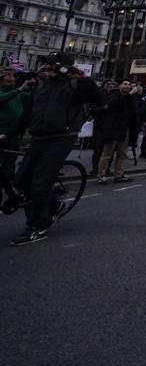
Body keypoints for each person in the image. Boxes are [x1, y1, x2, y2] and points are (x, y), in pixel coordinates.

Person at [1, 52, 103, 245]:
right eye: (46, 65)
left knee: (40, 184)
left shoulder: (75, 85)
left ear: (63, 67)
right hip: (39, 137)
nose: (47, 68)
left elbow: (98, 99)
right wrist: (7, 136)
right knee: (22, 180)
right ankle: (53, 204)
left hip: (61, 138)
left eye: (51, 65)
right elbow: (25, 116)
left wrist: (85, 79)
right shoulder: (39, 86)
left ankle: (37, 226)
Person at [94, 80, 140, 184]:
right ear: (119, 86)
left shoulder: (130, 97)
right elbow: (114, 104)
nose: (127, 86)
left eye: (129, 84)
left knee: (122, 154)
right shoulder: (114, 95)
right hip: (113, 128)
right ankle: (101, 175)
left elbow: (134, 112)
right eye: (124, 84)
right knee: (107, 153)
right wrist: (130, 95)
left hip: (125, 129)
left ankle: (119, 175)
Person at [0, 71, 32, 211]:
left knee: (10, 160)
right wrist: (19, 89)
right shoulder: (6, 93)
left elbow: (31, 98)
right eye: (9, 82)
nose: (12, 84)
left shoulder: (16, 93)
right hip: (2, 132)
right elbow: (3, 99)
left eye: (13, 81)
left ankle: (12, 188)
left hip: (13, 133)